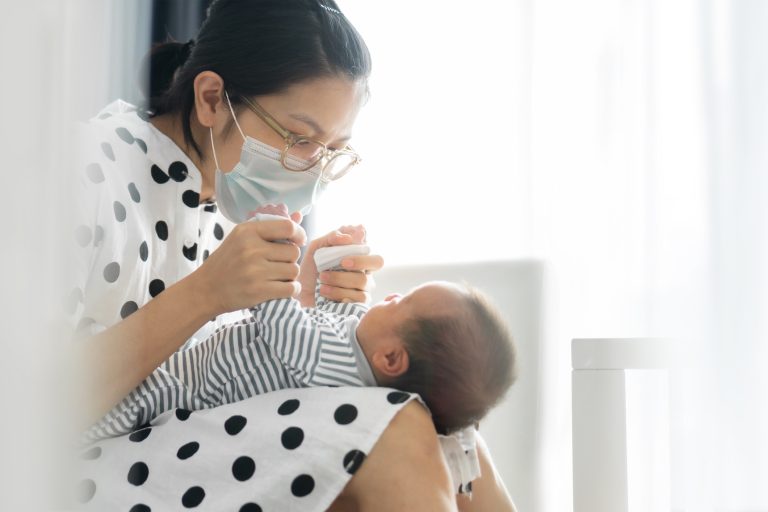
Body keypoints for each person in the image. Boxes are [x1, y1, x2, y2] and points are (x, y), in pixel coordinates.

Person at [70, 0, 517, 510]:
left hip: (181, 437)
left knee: (459, 442)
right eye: (300, 139)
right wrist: (208, 293)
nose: (314, 169)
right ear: (212, 99)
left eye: (332, 150)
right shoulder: (83, 169)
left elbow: (240, 365)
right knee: (396, 428)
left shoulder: (230, 205)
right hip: (77, 458)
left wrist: (306, 297)